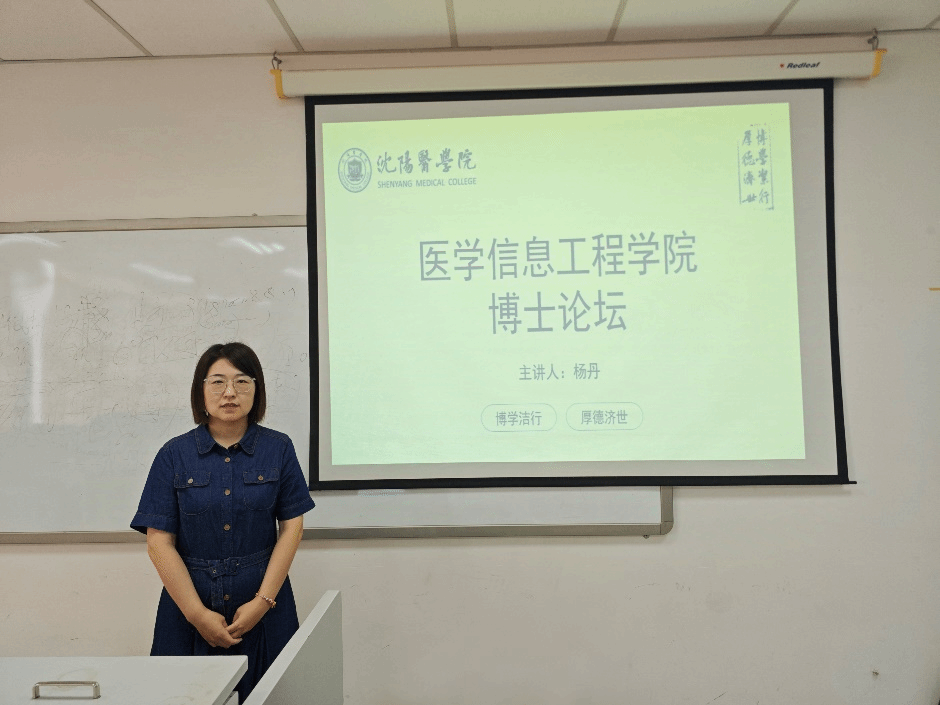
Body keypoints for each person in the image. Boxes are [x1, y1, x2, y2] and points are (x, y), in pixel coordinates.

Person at [131, 342, 315, 700]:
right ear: (200, 391)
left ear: (256, 390)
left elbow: (292, 527)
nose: (230, 392)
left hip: (264, 604)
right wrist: (197, 614)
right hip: (188, 606)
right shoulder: (173, 454)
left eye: (242, 381)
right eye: (218, 382)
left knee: (274, 695)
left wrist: (262, 602)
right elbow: (158, 542)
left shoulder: (279, 448)